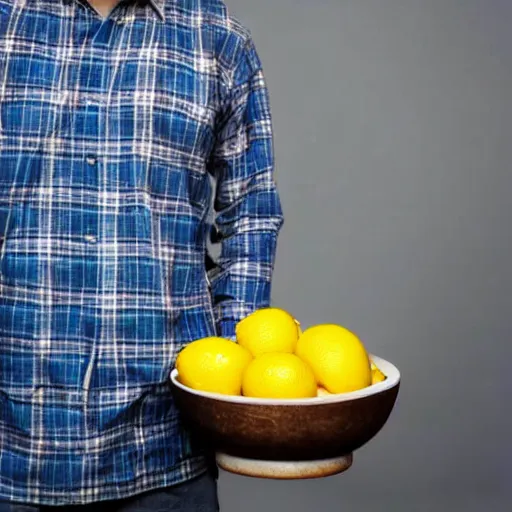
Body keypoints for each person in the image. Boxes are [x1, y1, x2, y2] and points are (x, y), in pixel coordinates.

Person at [0, 0, 283, 510]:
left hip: (163, 452)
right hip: (11, 444)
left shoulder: (217, 38)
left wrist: (235, 375)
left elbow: (252, 211)